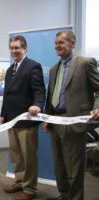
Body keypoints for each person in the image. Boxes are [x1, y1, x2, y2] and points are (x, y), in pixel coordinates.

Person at [43, 30, 99, 200]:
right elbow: (52, 94)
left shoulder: (85, 63)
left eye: (61, 43)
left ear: (72, 44)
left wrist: (98, 107)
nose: (57, 46)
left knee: (74, 169)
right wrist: (47, 118)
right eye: (55, 43)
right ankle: (64, 195)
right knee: (59, 166)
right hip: (55, 121)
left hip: (74, 122)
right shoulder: (54, 69)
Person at [0, 35, 46, 200]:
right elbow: (7, 94)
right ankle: (19, 181)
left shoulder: (33, 66)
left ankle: (30, 189)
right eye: (11, 48)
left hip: (27, 120)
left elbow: (39, 91)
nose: (14, 51)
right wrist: (3, 113)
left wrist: (38, 105)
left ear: (24, 48)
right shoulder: (10, 69)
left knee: (28, 157)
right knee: (16, 155)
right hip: (11, 120)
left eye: (17, 48)